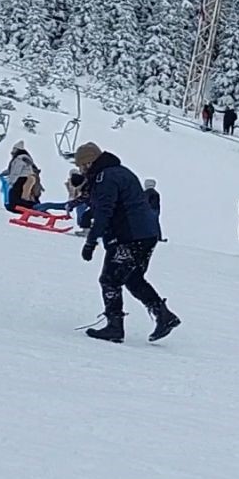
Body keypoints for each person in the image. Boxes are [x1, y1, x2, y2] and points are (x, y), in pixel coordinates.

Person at [74, 142, 179, 343]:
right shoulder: (119, 172)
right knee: (132, 278)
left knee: (110, 279)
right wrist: (90, 212)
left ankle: (115, 326)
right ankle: (164, 316)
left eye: (81, 165)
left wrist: (90, 241)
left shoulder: (105, 177)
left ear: (89, 162)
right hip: (146, 234)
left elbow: (106, 211)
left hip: (129, 236)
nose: (81, 170)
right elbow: (118, 203)